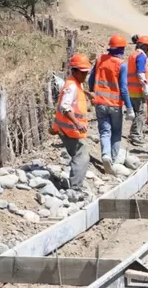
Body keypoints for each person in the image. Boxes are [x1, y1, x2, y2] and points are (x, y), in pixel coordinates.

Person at [88, 34, 135, 175]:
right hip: (115, 105)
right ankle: (113, 161)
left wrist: (92, 93)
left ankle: (105, 155)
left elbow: (91, 80)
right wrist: (130, 108)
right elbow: (124, 88)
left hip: (100, 103)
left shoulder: (100, 59)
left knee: (104, 131)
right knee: (116, 133)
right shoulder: (121, 65)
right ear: (121, 49)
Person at [49, 54, 93, 201]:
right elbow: (64, 106)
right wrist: (77, 123)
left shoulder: (74, 82)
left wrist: (87, 94)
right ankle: (75, 189)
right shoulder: (72, 85)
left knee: (79, 155)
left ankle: (75, 185)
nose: (86, 75)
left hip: (67, 128)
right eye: (83, 72)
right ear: (75, 71)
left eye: (87, 72)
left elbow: (75, 92)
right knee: (82, 156)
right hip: (70, 129)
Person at [127, 35, 148, 146]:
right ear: (145, 46)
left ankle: (137, 133)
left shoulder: (133, 55)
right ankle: (135, 135)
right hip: (137, 89)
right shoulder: (141, 56)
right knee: (140, 112)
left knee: (137, 111)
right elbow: (140, 72)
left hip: (131, 88)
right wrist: (146, 86)